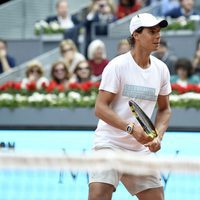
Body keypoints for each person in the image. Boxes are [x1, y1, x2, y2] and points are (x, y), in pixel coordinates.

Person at [89, 13, 171, 200]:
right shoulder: (117, 66)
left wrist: (157, 136)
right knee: (99, 195)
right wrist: (131, 128)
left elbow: (165, 109)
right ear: (136, 34)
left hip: (141, 151)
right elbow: (100, 108)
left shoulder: (161, 70)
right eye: (152, 32)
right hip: (110, 145)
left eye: (158, 32)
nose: (158, 36)